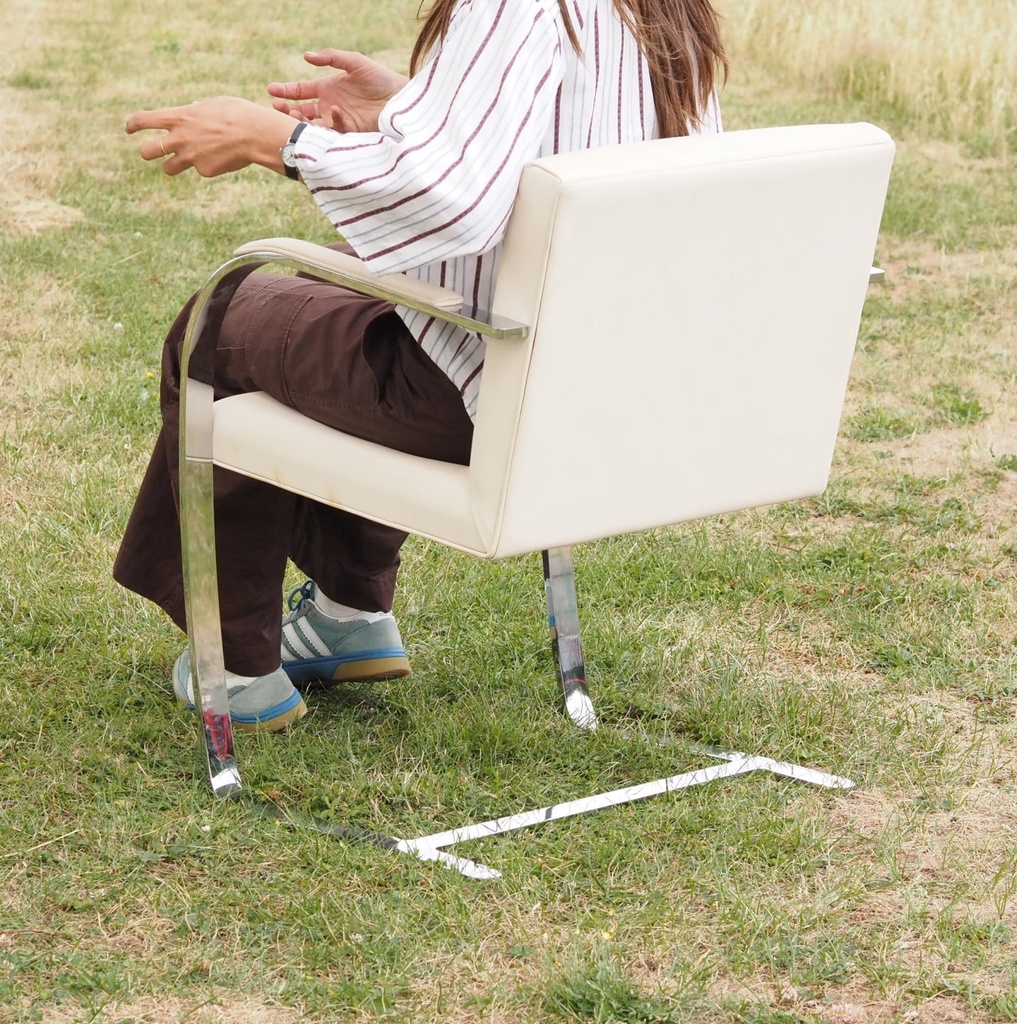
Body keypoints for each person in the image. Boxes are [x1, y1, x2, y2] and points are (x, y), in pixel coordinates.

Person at [116, 0, 728, 732]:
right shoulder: (664, 10)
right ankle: (350, 613)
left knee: (215, 321)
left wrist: (276, 141)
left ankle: (238, 665)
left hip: (488, 383)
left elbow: (451, 203)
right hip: (595, 370)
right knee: (330, 288)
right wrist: (413, 112)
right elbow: (556, 147)